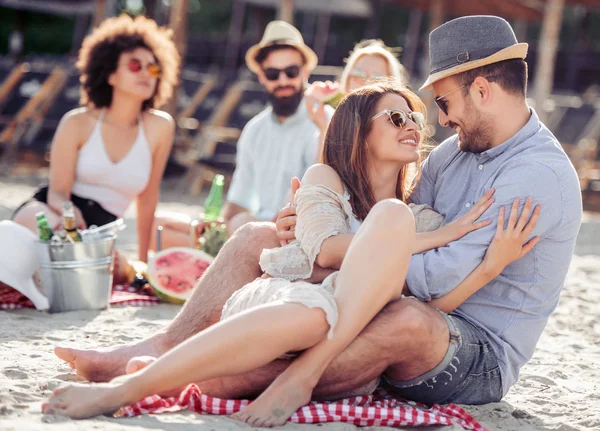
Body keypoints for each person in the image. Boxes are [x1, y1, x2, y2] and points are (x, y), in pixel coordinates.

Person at [53, 14, 581, 411]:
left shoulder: (534, 176)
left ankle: (185, 380)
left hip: (472, 349)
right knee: (261, 237)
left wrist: (334, 258)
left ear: (483, 90)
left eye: (442, 104)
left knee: (403, 318)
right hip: (400, 296)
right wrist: (309, 231)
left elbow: (433, 278)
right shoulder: (453, 154)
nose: (438, 122)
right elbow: (393, 219)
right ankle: (164, 346)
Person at [12, 15, 180, 266]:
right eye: (135, 65)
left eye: (153, 67)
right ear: (110, 74)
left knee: (101, 261)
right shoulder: (77, 122)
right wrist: (69, 215)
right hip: (58, 211)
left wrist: (145, 262)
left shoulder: (161, 126)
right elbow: (57, 192)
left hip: (102, 230)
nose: (147, 72)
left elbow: (147, 198)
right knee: (36, 226)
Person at [155, 20, 333, 248]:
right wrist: (215, 224)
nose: (283, 81)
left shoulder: (326, 120)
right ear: (261, 76)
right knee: (159, 227)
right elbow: (239, 200)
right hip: (255, 232)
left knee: (243, 223)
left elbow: (326, 189)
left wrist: (323, 127)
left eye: (291, 71)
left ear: (305, 72)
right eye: (272, 73)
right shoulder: (254, 130)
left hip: (302, 233)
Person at [305, 39, 408, 139]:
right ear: (347, 80)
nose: (366, 83)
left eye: (376, 78)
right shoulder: (327, 117)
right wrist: (323, 128)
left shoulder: (398, 129)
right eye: (358, 75)